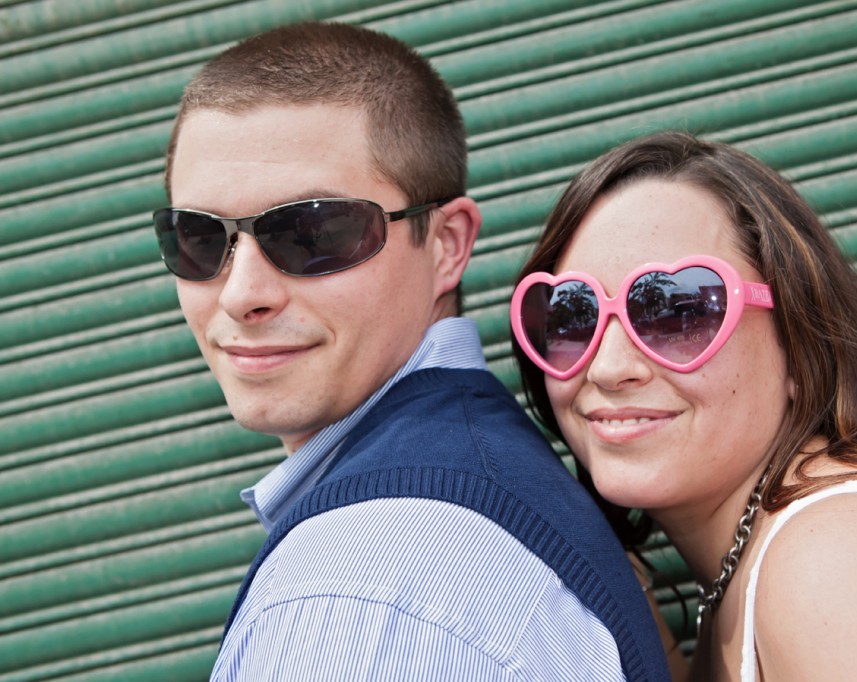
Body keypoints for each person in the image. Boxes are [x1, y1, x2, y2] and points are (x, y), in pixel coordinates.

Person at [153, 21, 672, 681]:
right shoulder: (472, 482)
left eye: (313, 231)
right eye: (198, 237)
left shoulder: (361, 593)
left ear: (447, 243)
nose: (241, 294)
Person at [510, 131, 857, 680]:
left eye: (678, 312)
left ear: (800, 344)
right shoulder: (773, 561)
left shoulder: (838, 564)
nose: (609, 367)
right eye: (571, 316)